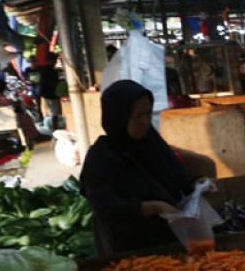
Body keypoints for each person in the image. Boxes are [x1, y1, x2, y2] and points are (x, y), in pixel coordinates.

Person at [80, 79, 204, 255]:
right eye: (138, 116)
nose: (146, 122)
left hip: (175, 241)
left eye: (148, 114)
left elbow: (176, 180)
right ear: (118, 117)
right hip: (131, 250)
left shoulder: (153, 144)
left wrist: (197, 184)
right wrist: (153, 207)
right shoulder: (101, 157)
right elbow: (105, 206)